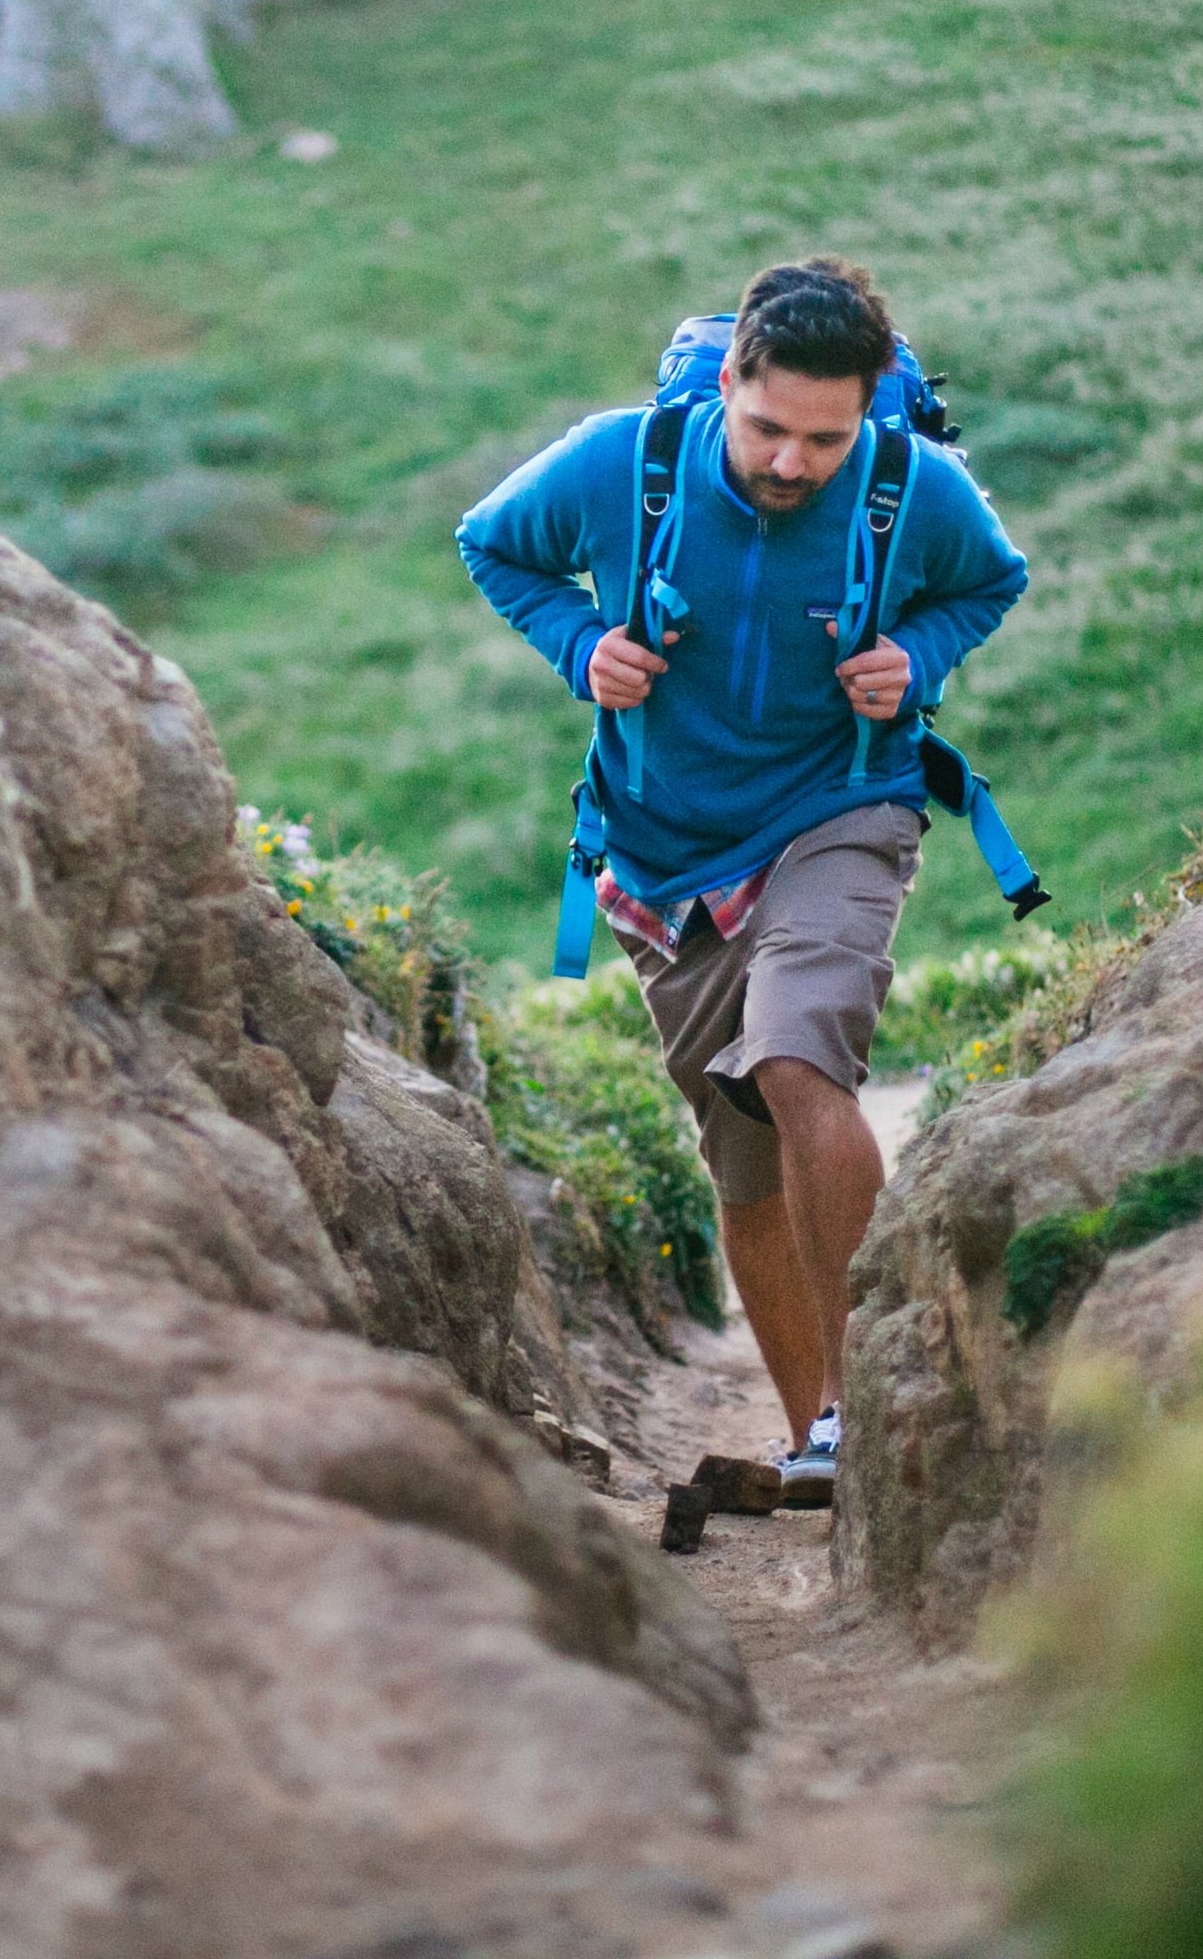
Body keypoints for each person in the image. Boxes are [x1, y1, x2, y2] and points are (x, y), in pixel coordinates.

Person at [456, 258, 1028, 1506]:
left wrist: (913, 656)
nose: (790, 462)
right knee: (743, 1164)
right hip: (666, 853)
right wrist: (578, 643)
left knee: (794, 1057)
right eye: (767, 427)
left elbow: (990, 577)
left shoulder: (904, 482)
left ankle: (887, 1390)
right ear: (726, 382)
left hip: (840, 804)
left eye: (823, 439)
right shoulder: (623, 463)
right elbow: (491, 544)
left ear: (864, 414)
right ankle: (818, 1424)